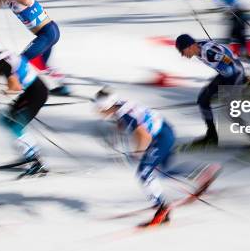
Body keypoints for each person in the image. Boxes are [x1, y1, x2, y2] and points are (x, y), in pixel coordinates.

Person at [94, 88, 221, 227]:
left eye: (99, 109)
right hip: (165, 131)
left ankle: (162, 209)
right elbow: (135, 120)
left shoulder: (124, 115)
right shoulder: (120, 105)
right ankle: (202, 173)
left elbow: (144, 135)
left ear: (106, 106)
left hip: (159, 138)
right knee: (164, 171)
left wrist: (138, 153)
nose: (98, 112)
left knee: (144, 173)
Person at [0, 40, 49, 177]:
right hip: (32, 91)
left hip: (36, 93)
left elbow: (16, 87)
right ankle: (29, 156)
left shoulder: (2, 64)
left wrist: (3, 92)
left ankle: (35, 161)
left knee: (16, 127)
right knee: (6, 120)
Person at [175, 33, 245, 147]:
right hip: (225, 75)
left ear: (190, 46)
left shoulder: (208, 52)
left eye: (182, 51)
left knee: (231, 111)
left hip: (235, 75)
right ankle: (212, 136)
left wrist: (227, 90)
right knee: (203, 100)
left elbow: (229, 61)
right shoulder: (198, 49)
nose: (183, 55)